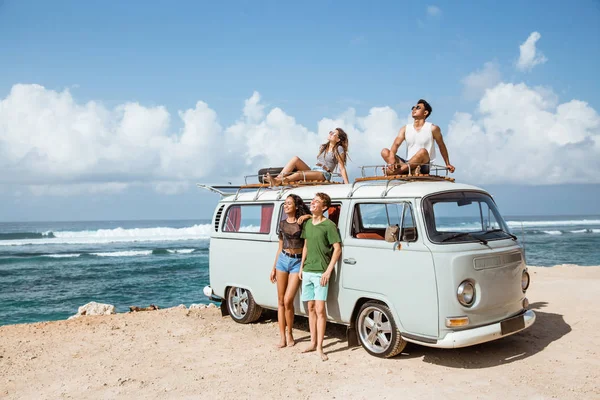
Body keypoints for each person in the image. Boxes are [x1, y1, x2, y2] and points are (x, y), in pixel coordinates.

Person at [299, 192, 342, 361]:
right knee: (310, 309)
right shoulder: (308, 223)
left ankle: (320, 347)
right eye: (313, 200)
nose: (313, 203)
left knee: (320, 310)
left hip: (320, 273)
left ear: (324, 207)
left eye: (317, 202)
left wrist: (328, 271)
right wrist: (301, 267)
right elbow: (306, 246)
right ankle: (312, 342)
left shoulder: (329, 225)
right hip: (308, 271)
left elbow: (337, 249)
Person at [269, 194, 311, 348]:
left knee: (288, 300)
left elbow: (317, 220)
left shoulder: (304, 222)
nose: (285, 206)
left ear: (295, 206)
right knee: (280, 301)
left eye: (289, 204)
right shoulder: (282, 224)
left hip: (297, 262)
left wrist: (306, 215)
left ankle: (290, 333)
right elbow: (280, 248)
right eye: (285, 204)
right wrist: (273, 267)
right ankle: (282, 336)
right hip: (282, 261)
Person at [381, 99, 455, 175]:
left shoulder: (433, 128)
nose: (414, 109)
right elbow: (396, 144)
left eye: (418, 108)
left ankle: (396, 172)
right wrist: (391, 157)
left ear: (425, 112)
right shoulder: (405, 129)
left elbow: (441, 146)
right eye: (413, 107)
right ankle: (411, 170)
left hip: (424, 164)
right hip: (407, 163)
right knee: (385, 152)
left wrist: (447, 163)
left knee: (422, 151)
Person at [266, 128, 350, 185]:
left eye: (333, 133)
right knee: (295, 159)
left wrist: (347, 184)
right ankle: (277, 178)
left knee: (299, 174)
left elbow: (341, 168)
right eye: (331, 132)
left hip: (324, 173)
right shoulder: (324, 147)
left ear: (338, 139)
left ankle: (278, 181)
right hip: (314, 169)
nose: (330, 133)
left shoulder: (339, 149)